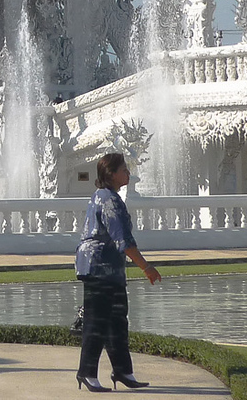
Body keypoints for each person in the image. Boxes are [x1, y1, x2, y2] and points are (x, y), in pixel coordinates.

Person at [75, 153, 161, 392]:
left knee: (117, 321)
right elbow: (123, 240)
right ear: (111, 174)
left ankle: (123, 371)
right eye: (124, 169)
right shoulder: (109, 200)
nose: (128, 173)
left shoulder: (106, 197)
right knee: (97, 322)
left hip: (108, 269)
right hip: (99, 267)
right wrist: (146, 266)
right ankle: (87, 373)